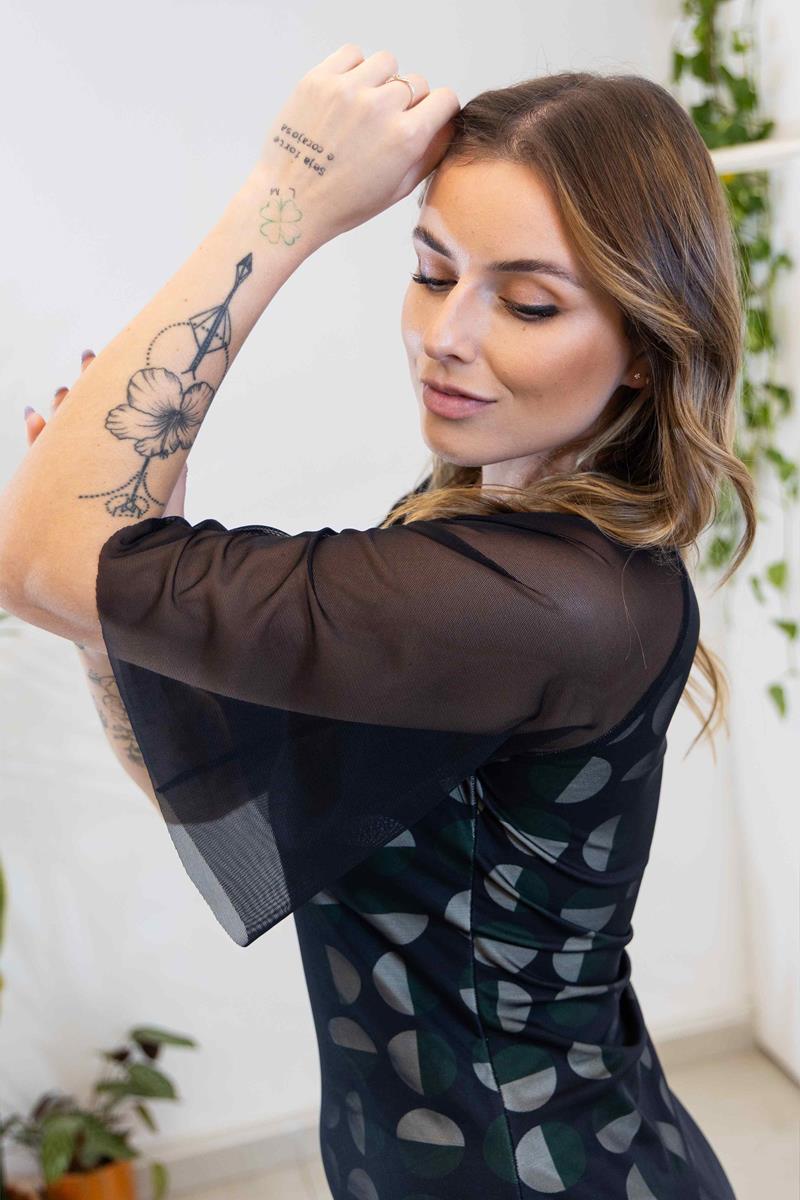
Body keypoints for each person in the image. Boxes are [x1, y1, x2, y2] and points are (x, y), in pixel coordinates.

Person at [5, 44, 754, 1200]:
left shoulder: (528, 603)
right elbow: (232, 807)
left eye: (527, 301)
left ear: (647, 353)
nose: (445, 333)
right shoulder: (496, 548)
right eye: (430, 270)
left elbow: (30, 557)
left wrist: (287, 191)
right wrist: (116, 586)